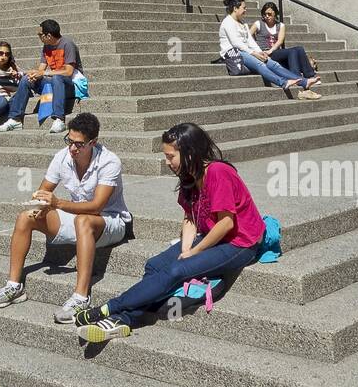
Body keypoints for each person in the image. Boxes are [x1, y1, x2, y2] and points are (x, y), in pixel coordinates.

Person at [73, 123, 264, 343]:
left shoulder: (218, 172)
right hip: (213, 235)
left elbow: (226, 224)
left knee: (176, 271)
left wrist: (195, 251)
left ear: (189, 153)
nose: (167, 162)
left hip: (241, 243)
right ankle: (123, 320)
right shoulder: (189, 176)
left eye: (171, 156)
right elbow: (190, 217)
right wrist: (185, 248)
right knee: (154, 265)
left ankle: (110, 310)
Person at [0, 113, 131, 322]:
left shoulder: (109, 161)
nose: (72, 148)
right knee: (26, 217)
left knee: (84, 220)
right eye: (69, 141)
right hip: (77, 217)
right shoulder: (63, 156)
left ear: (93, 142)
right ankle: (13, 286)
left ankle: (81, 297)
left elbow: (97, 206)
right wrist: (40, 205)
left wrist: (58, 203)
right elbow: (43, 190)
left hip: (111, 222)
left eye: (79, 144)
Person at [219, 0, 319, 99]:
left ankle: (304, 82)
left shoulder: (242, 23)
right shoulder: (228, 22)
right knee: (260, 64)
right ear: (235, 8)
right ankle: (283, 82)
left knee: (272, 63)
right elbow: (237, 43)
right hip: (233, 53)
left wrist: (260, 52)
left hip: (245, 52)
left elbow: (250, 40)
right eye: (243, 7)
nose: (245, 10)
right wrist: (255, 54)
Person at [0, 19, 84, 134]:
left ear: (48, 36)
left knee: (57, 78)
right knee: (26, 79)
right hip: (54, 83)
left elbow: (68, 72)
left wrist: (43, 73)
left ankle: (59, 119)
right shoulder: (46, 47)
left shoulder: (67, 44)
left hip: (70, 86)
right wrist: (34, 75)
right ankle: (15, 119)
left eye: (40, 34)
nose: (39, 37)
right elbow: (41, 70)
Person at [251, 1, 320, 81]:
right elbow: (248, 36)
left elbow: (280, 41)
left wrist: (271, 50)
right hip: (264, 53)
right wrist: (256, 47)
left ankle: (310, 75)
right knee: (292, 51)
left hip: (275, 52)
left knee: (299, 48)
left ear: (275, 13)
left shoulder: (280, 25)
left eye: (269, 14)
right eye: (265, 14)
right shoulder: (259, 24)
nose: (267, 16)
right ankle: (297, 78)